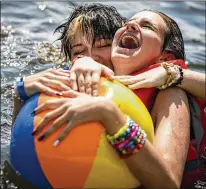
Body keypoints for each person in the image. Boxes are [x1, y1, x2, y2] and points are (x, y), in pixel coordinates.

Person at [11, 4, 205, 189]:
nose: (90, 57)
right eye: (78, 53)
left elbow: (169, 184)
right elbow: (26, 148)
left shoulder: (170, 93)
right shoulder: (78, 80)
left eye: (102, 45)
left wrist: (110, 114)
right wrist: (19, 97)